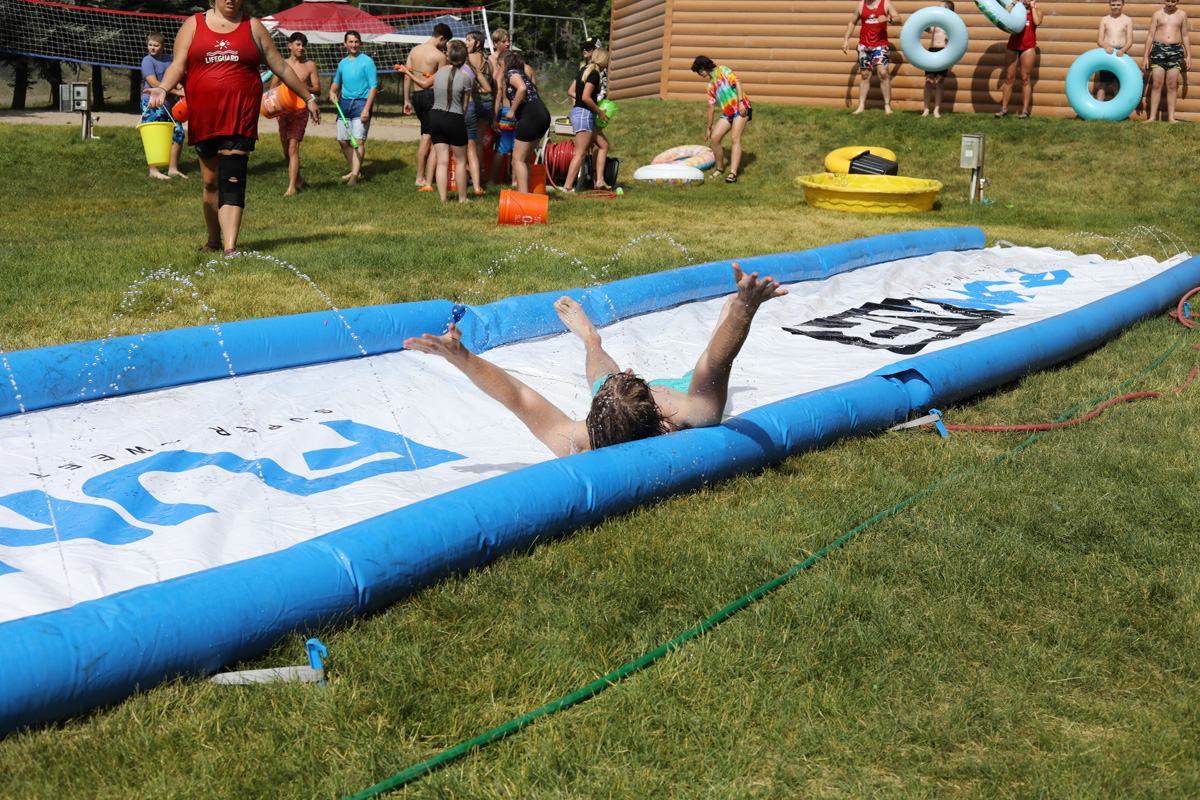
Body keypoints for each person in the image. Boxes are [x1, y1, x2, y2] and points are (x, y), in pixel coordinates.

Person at [404, 264, 786, 457]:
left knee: (606, 383)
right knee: (714, 346)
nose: (630, 369)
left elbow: (517, 396)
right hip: (680, 388)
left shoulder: (580, 439)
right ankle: (730, 310)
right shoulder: (686, 413)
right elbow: (716, 363)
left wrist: (463, 357)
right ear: (657, 410)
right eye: (632, 377)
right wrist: (744, 309)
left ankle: (591, 339)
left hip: (616, 414)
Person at [147, 0, 320, 254]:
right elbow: (178, 64)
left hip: (241, 114)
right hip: (204, 115)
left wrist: (308, 97)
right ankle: (213, 241)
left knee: (233, 177)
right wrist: (163, 87)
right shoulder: (193, 25)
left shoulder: (253, 26)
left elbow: (281, 66)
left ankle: (230, 248)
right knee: (210, 182)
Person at [404, 22, 451, 190]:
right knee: (427, 136)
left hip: (416, 96)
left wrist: (406, 100)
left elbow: (407, 76)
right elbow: (442, 81)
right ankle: (420, 177)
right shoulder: (439, 56)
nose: (445, 46)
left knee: (426, 134)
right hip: (431, 96)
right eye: (445, 42)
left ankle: (426, 175)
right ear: (442, 38)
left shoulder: (414, 50)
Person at [271, 32, 319, 195]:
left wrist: (301, 86)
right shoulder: (282, 64)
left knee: (293, 147)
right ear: (290, 46)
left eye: (303, 45)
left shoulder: (310, 65)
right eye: (298, 44)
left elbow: (317, 89)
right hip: (284, 110)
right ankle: (298, 179)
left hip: (301, 108)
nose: (301, 48)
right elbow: (272, 88)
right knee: (286, 150)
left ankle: (291, 188)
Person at [690, 55, 751, 183]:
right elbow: (711, 108)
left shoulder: (722, 70)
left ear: (703, 67)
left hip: (741, 108)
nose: (699, 74)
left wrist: (740, 102)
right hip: (728, 113)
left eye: (698, 71)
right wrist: (708, 128)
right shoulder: (709, 85)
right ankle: (720, 168)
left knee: (735, 138)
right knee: (715, 138)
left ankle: (733, 173)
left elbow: (738, 83)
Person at [497, 52, 550, 195]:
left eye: (500, 64)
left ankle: (523, 195)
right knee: (524, 159)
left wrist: (512, 110)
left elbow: (522, 89)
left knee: (518, 159)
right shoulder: (522, 74)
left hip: (531, 117)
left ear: (505, 63)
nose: (499, 68)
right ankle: (526, 193)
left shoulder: (512, 73)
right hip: (542, 115)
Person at [329, 31, 377, 187]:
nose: (353, 45)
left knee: (358, 140)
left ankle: (354, 177)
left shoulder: (367, 61)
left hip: (361, 103)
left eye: (356, 41)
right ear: (345, 44)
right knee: (343, 141)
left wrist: (366, 109)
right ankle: (354, 170)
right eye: (350, 42)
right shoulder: (343, 63)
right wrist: (332, 91)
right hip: (344, 103)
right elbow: (337, 82)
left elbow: (373, 87)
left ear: (360, 43)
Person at [429, 40, 473, 203]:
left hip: (435, 117)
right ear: (464, 59)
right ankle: (462, 198)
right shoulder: (465, 78)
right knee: (460, 161)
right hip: (454, 118)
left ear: (448, 57)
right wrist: (460, 120)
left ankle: (443, 198)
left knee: (442, 161)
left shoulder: (439, 73)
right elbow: (465, 105)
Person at [563, 47, 612, 192]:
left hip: (582, 113)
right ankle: (567, 187)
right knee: (581, 153)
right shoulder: (594, 74)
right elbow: (585, 97)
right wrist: (600, 111)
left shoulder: (584, 70)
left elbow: (572, 91)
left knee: (603, 144)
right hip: (584, 114)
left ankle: (600, 180)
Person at [140, 32, 187, 180]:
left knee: (178, 132)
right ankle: (153, 171)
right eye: (150, 45)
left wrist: (181, 89)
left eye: (156, 45)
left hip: (170, 103)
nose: (152, 48)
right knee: (154, 135)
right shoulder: (147, 61)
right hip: (152, 102)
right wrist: (178, 92)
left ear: (163, 46)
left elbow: (174, 78)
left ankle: (173, 169)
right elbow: (154, 84)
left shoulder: (168, 59)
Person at [842, 0, 901, 115]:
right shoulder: (861, 5)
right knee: (865, 75)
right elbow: (852, 22)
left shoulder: (885, 3)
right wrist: (845, 40)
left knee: (883, 73)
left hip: (880, 45)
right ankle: (861, 106)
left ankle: (887, 106)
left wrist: (888, 19)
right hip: (864, 46)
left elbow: (899, 20)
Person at [1143, 0, 1191, 122]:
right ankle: (1152, 117)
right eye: (1167, 1)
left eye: (1173, 1)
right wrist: (1145, 57)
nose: (1170, 4)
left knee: (1173, 84)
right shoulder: (1157, 14)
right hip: (1158, 49)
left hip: (1175, 50)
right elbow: (1150, 35)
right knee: (1156, 84)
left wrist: (1189, 55)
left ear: (1177, 1)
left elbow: (1185, 35)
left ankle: (1171, 117)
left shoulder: (1182, 14)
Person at [996, 0, 1044, 118]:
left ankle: (1025, 111)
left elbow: (1037, 22)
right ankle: (1003, 109)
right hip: (1012, 46)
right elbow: (1002, 18)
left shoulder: (1037, 11)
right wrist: (1013, 4)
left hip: (1028, 47)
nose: (1025, 1)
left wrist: (1032, 6)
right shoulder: (1015, 11)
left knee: (1025, 78)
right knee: (1009, 78)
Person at [464, 30, 492, 194]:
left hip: (474, 103)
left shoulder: (470, 58)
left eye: (469, 40)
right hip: (488, 103)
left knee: (469, 143)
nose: (466, 43)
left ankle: (467, 176)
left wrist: (472, 89)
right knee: (479, 143)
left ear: (477, 43)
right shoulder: (489, 59)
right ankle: (478, 177)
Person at [1095, 0, 1134, 104]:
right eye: (1113, 5)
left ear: (1123, 5)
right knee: (1103, 83)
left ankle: (1119, 109)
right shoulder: (1105, 20)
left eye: (1118, 5)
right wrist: (1106, 46)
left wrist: (1123, 50)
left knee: (1117, 83)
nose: (1115, 7)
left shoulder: (1127, 20)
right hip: (1107, 52)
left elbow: (1130, 41)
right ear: (1109, 5)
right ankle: (1098, 109)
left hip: (1120, 53)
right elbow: (1099, 40)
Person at [922, 1, 955, 118]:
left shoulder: (952, 23)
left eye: (940, 7)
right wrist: (922, 23)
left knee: (940, 81)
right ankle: (926, 109)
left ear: (948, 9)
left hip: (944, 52)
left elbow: (955, 39)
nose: (938, 9)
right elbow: (929, 30)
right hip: (932, 50)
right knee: (928, 80)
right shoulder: (936, 22)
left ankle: (936, 110)